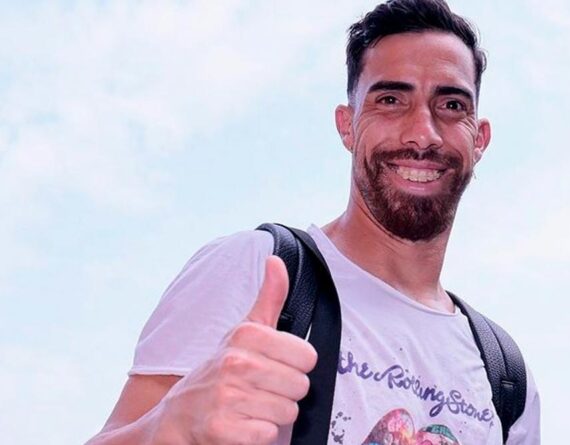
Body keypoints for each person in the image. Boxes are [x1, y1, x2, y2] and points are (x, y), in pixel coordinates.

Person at [87, 0, 540, 444]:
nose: (422, 133)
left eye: (452, 105)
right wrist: (172, 426)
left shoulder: (505, 378)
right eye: (390, 100)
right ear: (347, 126)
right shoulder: (258, 269)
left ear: (479, 139)